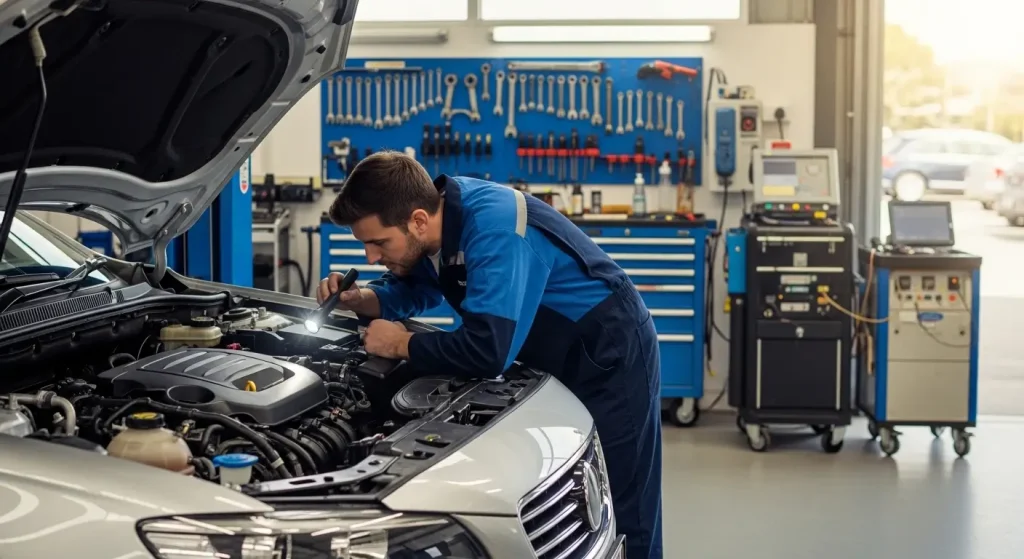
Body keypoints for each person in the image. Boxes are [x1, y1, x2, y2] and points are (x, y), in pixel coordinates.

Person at [317, 150, 663, 559]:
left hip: (610, 350)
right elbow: (423, 284)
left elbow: (486, 351)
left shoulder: (494, 229)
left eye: (378, 242)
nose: (371, 257)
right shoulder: (440, 219)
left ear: (418, 221)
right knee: (560, 501)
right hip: (549, 349)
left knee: (621, 506)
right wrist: (365, 298)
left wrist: (400, 343)